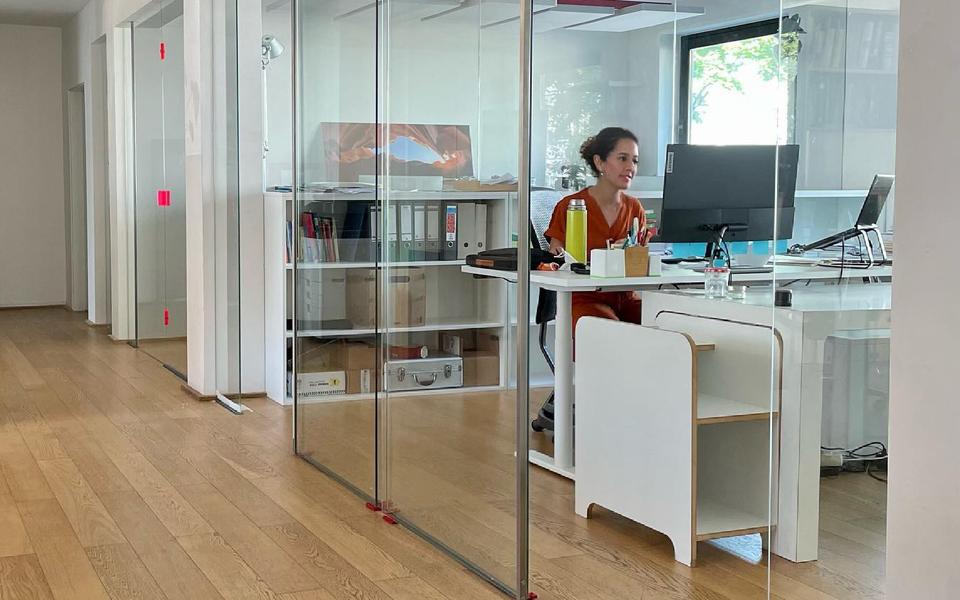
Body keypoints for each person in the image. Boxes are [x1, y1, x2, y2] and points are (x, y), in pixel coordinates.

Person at [544, 127, 649, 336]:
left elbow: (639, 259)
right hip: (585, 298)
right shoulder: (571, 206)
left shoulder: (634, 208)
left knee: (667, 323)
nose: (630, 167)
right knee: (611, 331)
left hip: (626, 297)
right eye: (623, 158)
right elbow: (558, 261)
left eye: (635, 161)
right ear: (599, 162)